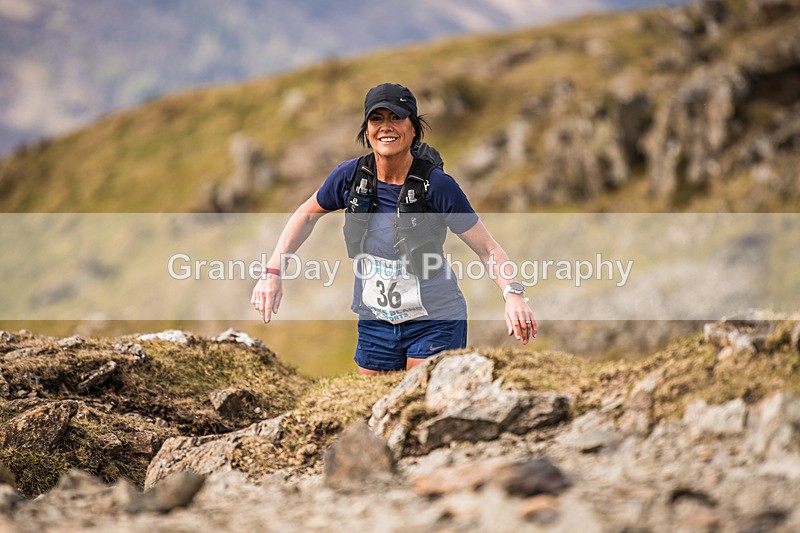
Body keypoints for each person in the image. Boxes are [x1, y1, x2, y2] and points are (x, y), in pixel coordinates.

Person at [251, 82, 536, 375]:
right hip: (376, 321)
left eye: (396, 117)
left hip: (435, 320)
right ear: (367, 130)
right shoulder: (350, 176)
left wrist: (513, 295)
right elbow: (306, 215)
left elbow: (488, 249)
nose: (386, 127)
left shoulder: (437, 186)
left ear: (413, 128)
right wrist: (273, 272)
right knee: (370, 412)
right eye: (377, 119)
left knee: (419, 404)